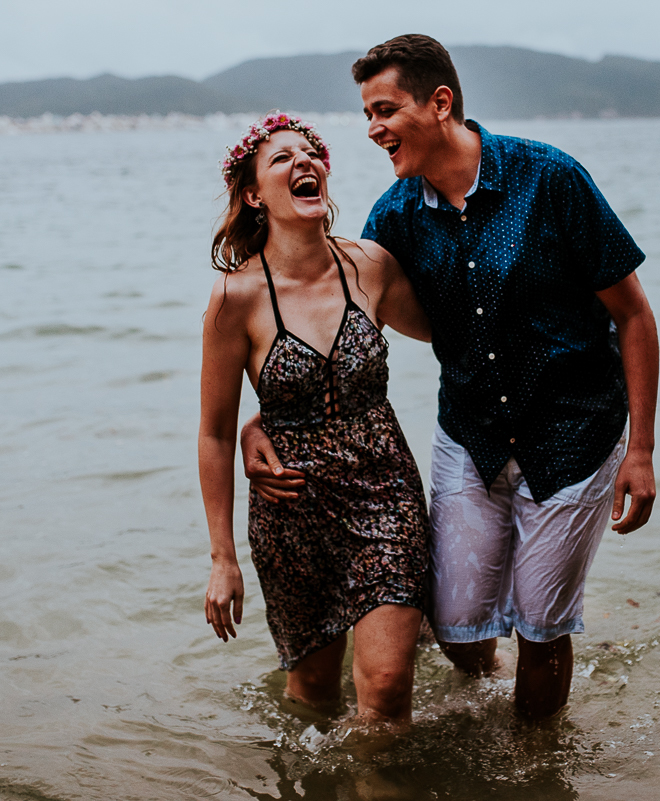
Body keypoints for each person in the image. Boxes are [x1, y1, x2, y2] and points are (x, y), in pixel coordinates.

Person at [242, 36, 659, 722]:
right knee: (458, 618)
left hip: (576, 430)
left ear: (440, 104)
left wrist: (639, 450)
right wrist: (266, 416)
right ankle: (480, 688)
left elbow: (634, 314)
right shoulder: (395, 217)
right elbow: (337, 327)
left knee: (542, 623)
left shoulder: (549, 179)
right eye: (367, 113)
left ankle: (534, 764)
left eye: (384, 109)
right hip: (472, 432)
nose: (372, 127)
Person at [198, 112, 434, 730]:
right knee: (313, 695)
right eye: (281, 158)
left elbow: (453, 334)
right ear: (253, 195)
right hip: (292, 509)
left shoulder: (371, 266)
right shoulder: (235, 298)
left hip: (385, 489)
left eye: (311, 153)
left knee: (385, 688)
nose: (303, 162)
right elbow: (216, 433)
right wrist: (223, 557)